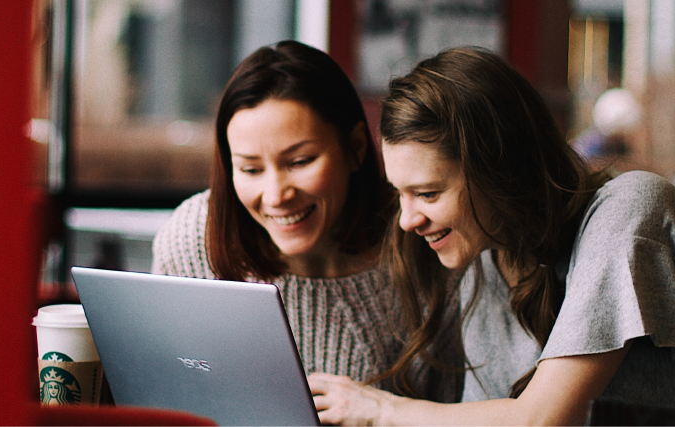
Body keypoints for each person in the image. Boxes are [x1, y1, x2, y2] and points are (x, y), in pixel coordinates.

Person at [307, 47, 675, 426]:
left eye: (428, 193)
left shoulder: (631, 212)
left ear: (500, 170)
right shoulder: (486, 264)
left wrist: (379, 410)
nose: (408, 220)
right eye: (401, 195)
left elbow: (540, 422)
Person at [152, 40, 461, 402]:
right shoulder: (192, 237)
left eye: (299, 162)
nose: (276, 195)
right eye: (250, 169)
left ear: (356, 147)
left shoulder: (428, 239)